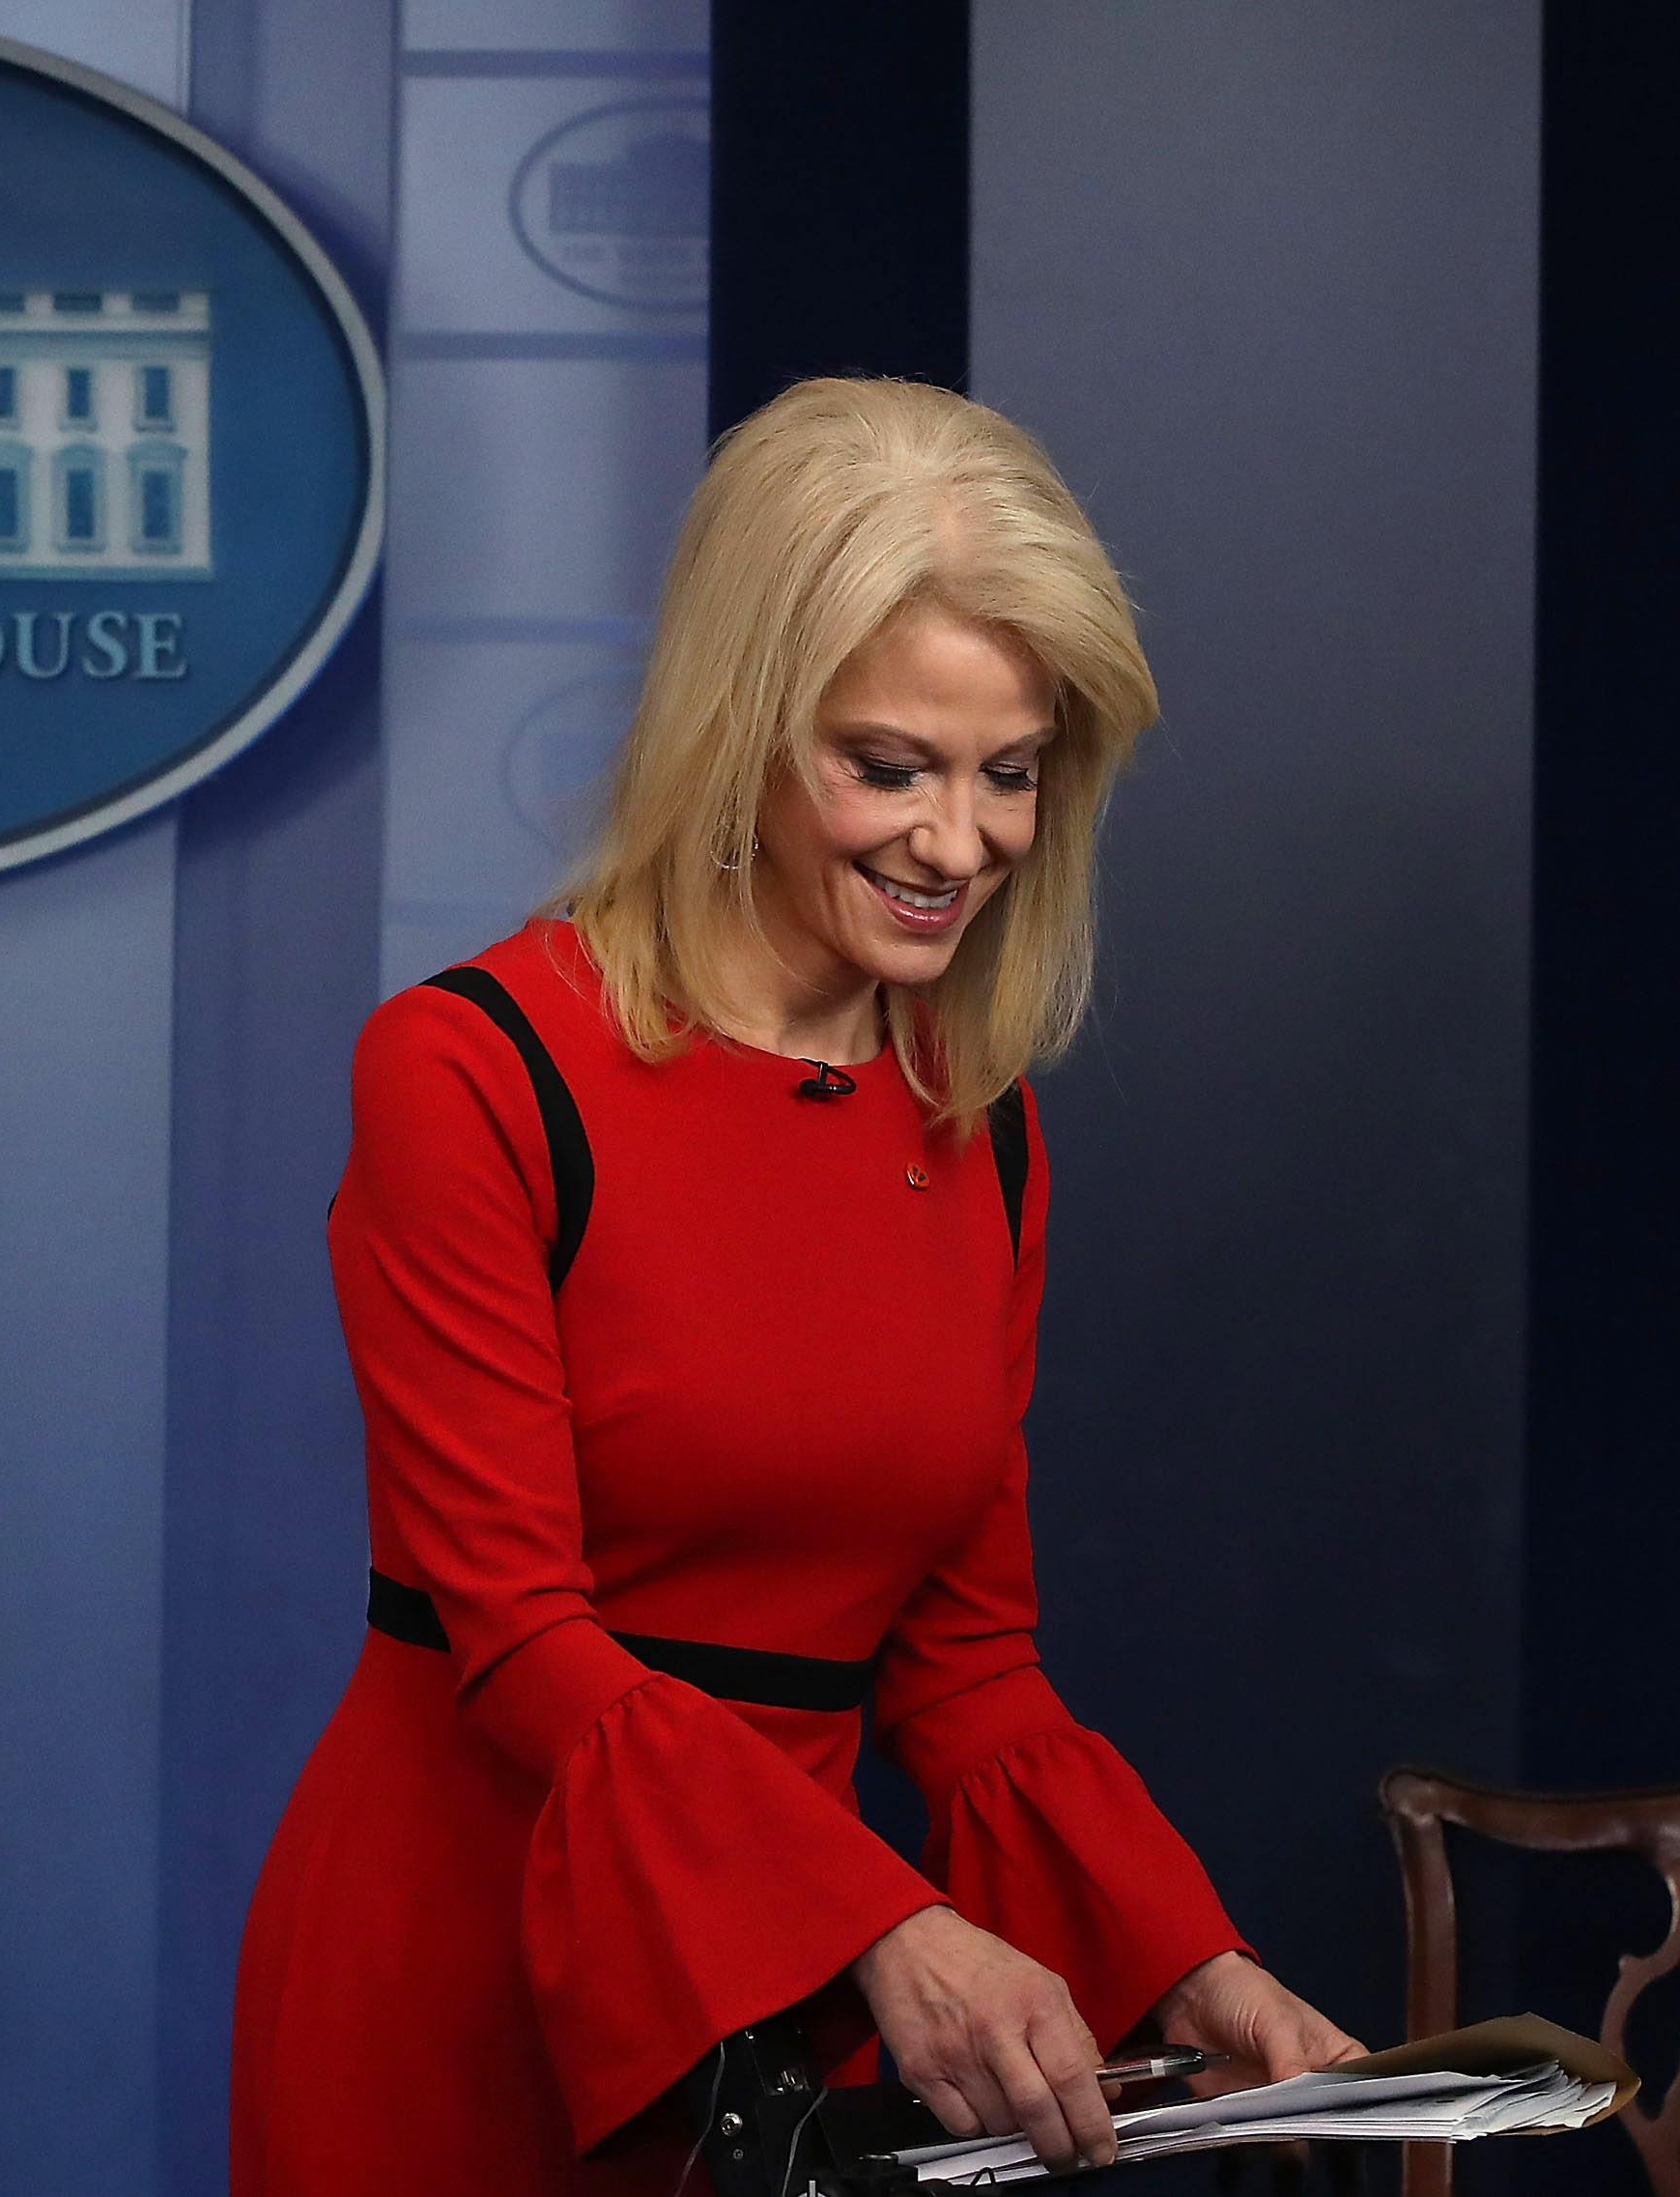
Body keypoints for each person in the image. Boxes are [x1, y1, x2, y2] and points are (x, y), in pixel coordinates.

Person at [230, 379, 1362, 2197]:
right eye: (889, 765)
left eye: (1013, 772)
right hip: (465, 1977)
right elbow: (518, 1637)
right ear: (738, 729)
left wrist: (1189, 1967)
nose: (960, 842)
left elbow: (970, 1663)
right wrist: (878, 1924)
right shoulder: (470, 1069)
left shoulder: (977, 1128)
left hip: (806, 1993)